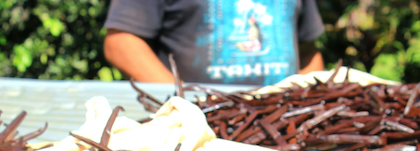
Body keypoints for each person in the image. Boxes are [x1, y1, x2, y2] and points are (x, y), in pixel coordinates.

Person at [103, 0, 325, 85]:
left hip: (284, 127)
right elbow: (122, 42)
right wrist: (183, 105)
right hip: (194, 132)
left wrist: (310, 106)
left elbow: (307, 52)